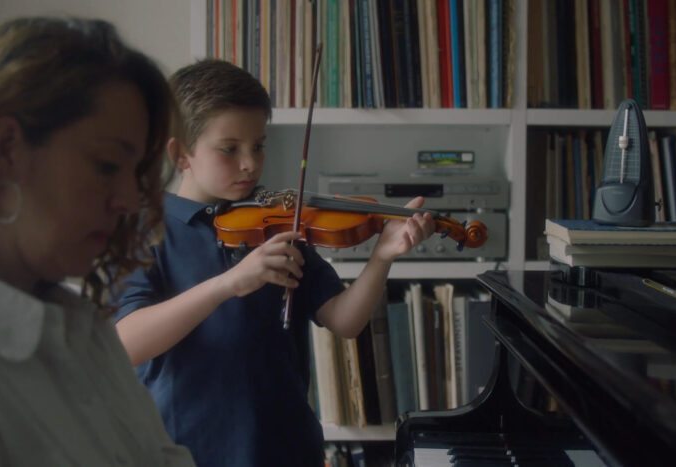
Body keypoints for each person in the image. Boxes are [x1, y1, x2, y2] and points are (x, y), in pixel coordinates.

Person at [114, 58, 436, 467]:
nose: (250, 163)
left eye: (258, 146)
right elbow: (126, 342)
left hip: (285, 449)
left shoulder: (276, 222)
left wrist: (382, 257)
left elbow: (345, 320)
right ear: (180, 154)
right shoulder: (146, 229)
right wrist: (227, 284)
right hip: (187, 450)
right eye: (230, 149)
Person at [0, 17, 195, 466]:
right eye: (108, 165)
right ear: (7, 147)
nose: (131, 201)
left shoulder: (84, 329)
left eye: (137, 176)